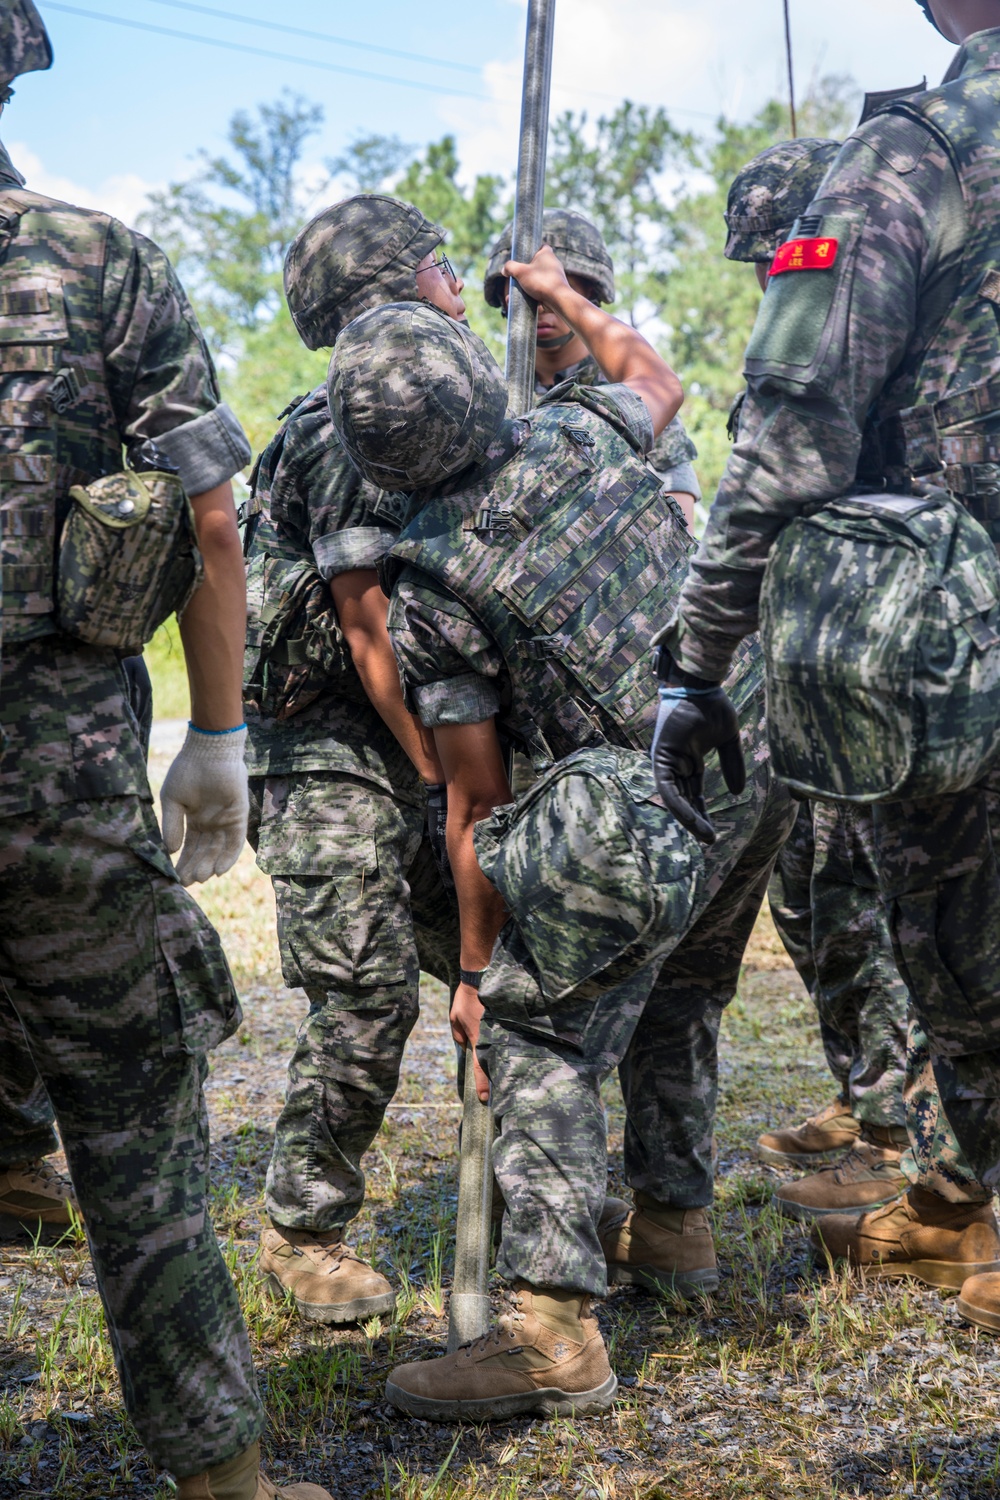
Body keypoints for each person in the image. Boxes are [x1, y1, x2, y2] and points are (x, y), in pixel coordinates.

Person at [327, 247, 795, 1419]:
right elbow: (659, 376)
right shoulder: (587, 428)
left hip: (641, 804)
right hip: (747, 756)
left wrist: (482, 973)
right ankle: (676, 1227)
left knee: (541, 1029)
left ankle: (547, 1336)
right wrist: (562, 294)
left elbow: (476, 804)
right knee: (680, 993)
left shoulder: (431, 592)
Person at [0, 6, 329, 1496]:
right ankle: (224, 1481)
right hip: (59, 777)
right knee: (136, 1127)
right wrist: (219, 732)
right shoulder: (97, 260)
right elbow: (208, 519)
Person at [654, 0, 1000, 1326]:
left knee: (966, 951)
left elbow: (796, 434)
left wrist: (696, 659)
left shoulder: (914, 154)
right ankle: (960, 1193)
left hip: (953, 648)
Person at [724, 135, 988, 1226]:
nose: (764, 282)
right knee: (859, 908)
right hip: (866, 671)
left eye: (771, 257)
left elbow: (786, 457)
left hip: (916, 658)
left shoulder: (903, 226)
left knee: (935, 933)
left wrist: (699, 662)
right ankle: (918, 1151)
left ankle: (930, 1164)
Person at [243, 194, 466, 1326]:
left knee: (496, 966)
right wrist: (445, 779)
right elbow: (367, 629)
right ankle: (301, 1229)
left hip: (408, 739)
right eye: (445, 266)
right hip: (327, 748)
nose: (460, 287)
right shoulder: (349, 423)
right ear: (395, 287)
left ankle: (543, 1212)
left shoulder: (424, 399)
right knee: (367, 993)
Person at [483, 207, 702, 528]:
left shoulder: (630, 391)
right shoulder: (492, 398)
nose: (540, 302)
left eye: (555, 285)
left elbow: (678, 518)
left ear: (590, 293)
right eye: (523, 285)